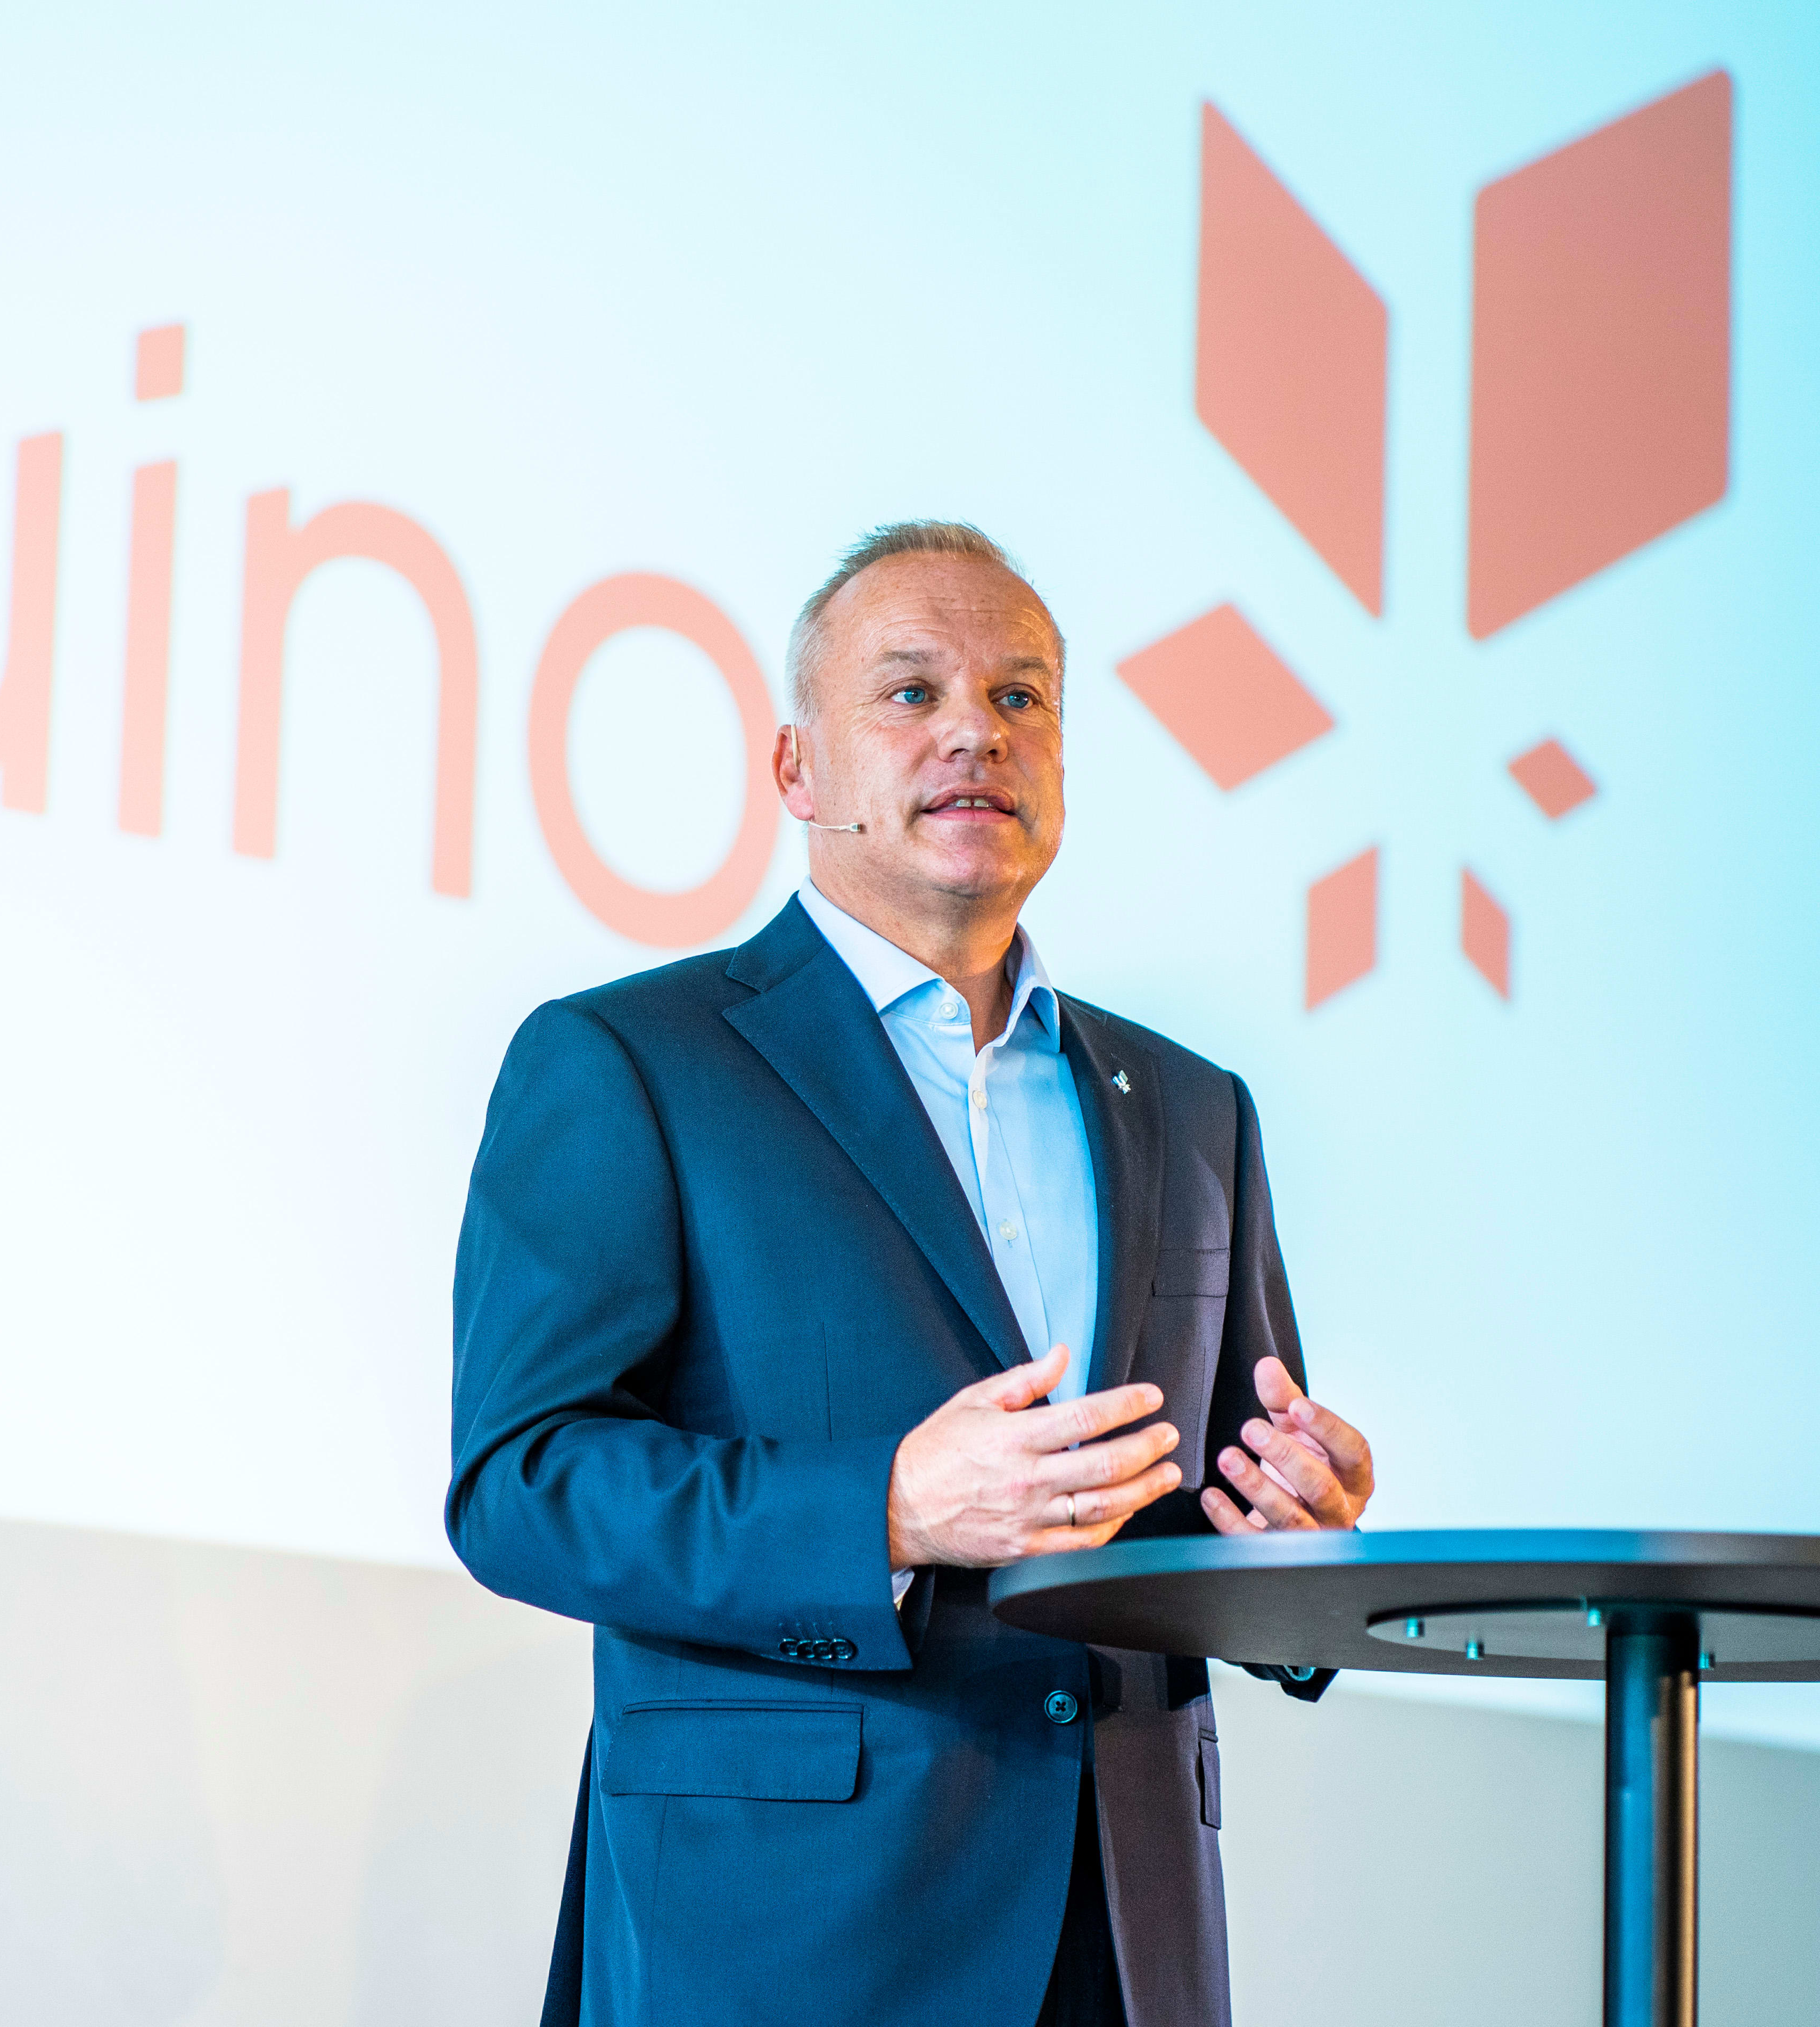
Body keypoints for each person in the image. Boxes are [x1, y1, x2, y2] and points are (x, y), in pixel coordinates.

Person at [447, 522, 1378, 2027]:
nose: (975, 733)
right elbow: (523, 1483)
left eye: (1020, 698)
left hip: (1123, 1931)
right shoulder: (632, 1062)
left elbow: (1217, 1502)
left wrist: (1294, 1544)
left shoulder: (1194, 1106)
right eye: (909, 692)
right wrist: (885, 1509)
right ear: (797, 770)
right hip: (788, 1936)